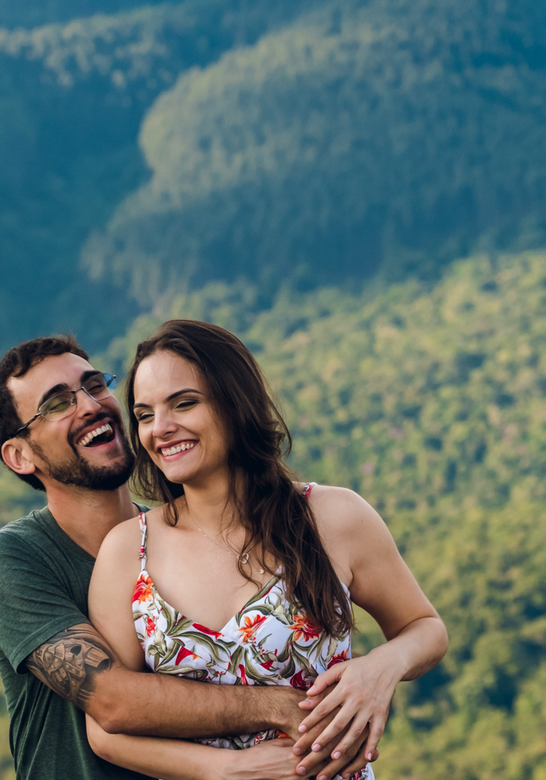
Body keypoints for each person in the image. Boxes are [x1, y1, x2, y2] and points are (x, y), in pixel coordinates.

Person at [0, 335, 375, 780]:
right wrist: (279, 707)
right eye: (56, 404)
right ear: (19, 455)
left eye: (94, 385)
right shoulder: (14, 558)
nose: (88, 405)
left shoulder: (173, 540)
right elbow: (112, 700)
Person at [84, 320, 448, 780]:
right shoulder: (127, 551)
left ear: (236, 403)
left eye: (185, 403)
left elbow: (426, 628)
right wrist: (229, 769)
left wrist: (380, 668)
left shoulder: (332, 517)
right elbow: (104, 731)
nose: (162, 428)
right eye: (144, 414)